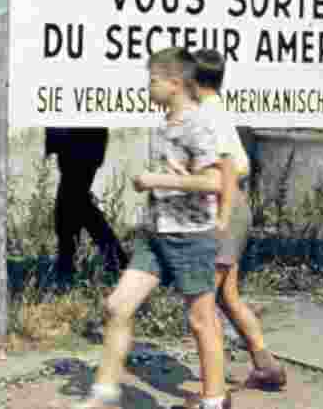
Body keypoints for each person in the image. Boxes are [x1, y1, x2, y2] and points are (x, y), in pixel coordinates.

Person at [75, 47, 227, 409]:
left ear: (175, 84)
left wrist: (156, 179)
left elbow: (214, 182)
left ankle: (214, 400)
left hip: (191, 237)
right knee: (117, 306)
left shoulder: (199, 124)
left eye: (153, 80)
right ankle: (104, 395)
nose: (148, 87)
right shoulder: (162, 126)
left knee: (201, 321)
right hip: (156, 236)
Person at [191, 49, 286, 393]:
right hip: (233, 209)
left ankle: (213, 392)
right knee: (227, 296)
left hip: (225, 211)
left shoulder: (207, 115)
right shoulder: (214, 111)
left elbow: (238, 164)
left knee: (202, 303)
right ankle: (266, 367)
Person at [45, 127, 127, 283]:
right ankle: (68, 265)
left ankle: (67, 266)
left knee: (73, 204)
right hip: (78, 141)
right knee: (74, 204)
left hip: (82, 140)